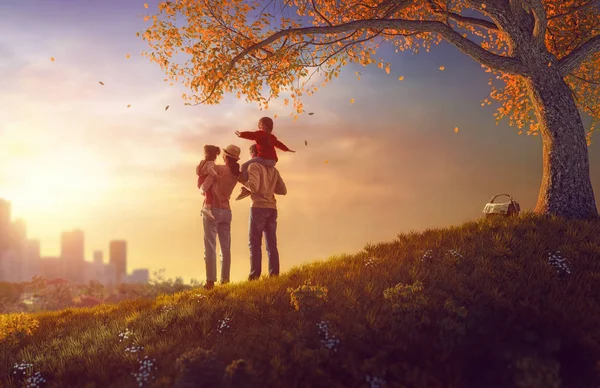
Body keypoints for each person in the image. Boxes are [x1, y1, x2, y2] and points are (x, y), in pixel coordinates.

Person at [240, 145, 287, 280]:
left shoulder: (253, 166)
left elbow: (253, 187)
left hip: (258, 208)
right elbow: (283, 190)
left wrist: (243, 181)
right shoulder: (274, 170)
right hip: (272, 208)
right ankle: (274, 276)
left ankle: (254, 276)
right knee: (271, 244)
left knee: (254, 244)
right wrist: (269, 188)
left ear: (253, 154)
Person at [199, 144, 241, 290]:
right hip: (227, 211)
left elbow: (204, 185)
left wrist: (201, 189)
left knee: (210, 246)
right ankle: (225, 280)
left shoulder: (217, 169)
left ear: (225, 156)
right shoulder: (236, 173)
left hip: (213, 210)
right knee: (226, 247)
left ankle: (210, 281)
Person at [234, 116, 295, 200]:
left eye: (259, 125)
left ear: (262, 125)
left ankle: (246, 186)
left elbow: (251, 135)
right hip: (272, 161)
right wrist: (287, 149)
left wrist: (241, 134)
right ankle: (246, 188)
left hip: (264, 159)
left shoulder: (260, 134)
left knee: (243, 166)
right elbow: (278, 144)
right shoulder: (272, 137)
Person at [196, 145, 221, 221]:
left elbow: (197, 170)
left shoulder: (202, 162)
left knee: (207, 196)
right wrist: (216, 175)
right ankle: (207, 209)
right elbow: (210, 169)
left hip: (200, 180)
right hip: (205, 181)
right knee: (210, 195)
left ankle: (203, 208)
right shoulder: (210, 162)